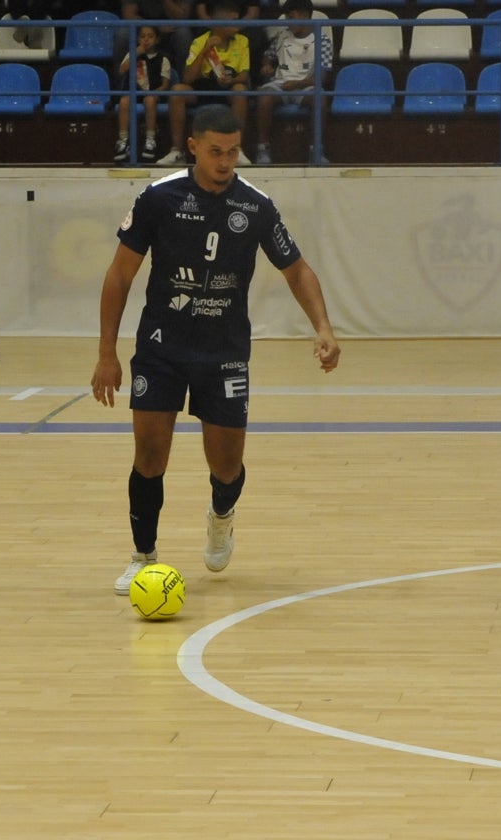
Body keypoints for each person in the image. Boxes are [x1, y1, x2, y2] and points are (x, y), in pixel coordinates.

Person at [90, 104, 340, 596]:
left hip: (223, 351)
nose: (225, 162)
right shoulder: (158, 198)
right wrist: (106, 353)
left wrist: (323, 326)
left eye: (232, 152)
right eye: (215, 152)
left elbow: (297, 269)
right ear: (194, 148)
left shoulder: (257, 205)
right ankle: (143, 556)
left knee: (225, 465)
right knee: (149, 454)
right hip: (161, 347)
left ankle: (221, 513)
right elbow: (120, 275)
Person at [156, 0, 252, 167]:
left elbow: (244, 75)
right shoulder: (200, 41)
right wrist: (205, 50)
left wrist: (233, 80)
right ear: (219, 24)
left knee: (240, 90)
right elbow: (187, 78)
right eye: (233, 21)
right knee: (177, 91)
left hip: (228, 87)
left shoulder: (242, 40)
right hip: (203, 86)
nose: (239, 24)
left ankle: (238, 149)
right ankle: (177, 151)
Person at [253, 0, 331, 165]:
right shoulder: (282, 35)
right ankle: (263, 150)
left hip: (305, 86)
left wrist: (297, 84)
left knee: (320, 99)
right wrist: (266, 65)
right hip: (280, 84)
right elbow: (269, 55)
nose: (288, 21)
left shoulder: (322, 40)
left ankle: (315, 150)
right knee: (264, 98)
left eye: (291, 16)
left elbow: (321, 78)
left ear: (305, 16)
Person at [113, 24, 173, 164]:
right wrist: (136, 53)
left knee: (150, 100)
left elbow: (165, 85)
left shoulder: (163, 59)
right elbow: (121, 71)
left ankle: (150, 140)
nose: (146, 40)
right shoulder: (133, 54)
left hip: (153, 94)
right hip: (134, 93)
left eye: (150, 36)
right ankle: (123, 141)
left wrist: (154, 92)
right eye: (142, 36)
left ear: (157, 40)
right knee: (124, 101)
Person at [116, 0, 195, 80]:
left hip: (170, 31)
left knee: (183, 33)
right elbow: (129, 15)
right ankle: (121, 86)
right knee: (123, 34)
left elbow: (182, 17)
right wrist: (156, 27)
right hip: (143, 29)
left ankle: (182, 84)